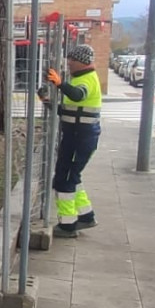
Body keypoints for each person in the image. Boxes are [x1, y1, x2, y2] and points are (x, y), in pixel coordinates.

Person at [45, 44, 102, 238]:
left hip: (80, 137)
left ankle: (67, 225)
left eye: (72, 60)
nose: (69, 63)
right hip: (77, 136)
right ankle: (86, 216)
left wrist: (60, 84)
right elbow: (69, 111)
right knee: (72, 177)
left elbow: (77, 96)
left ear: (83, 62)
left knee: (65, 180)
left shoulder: (87, 80)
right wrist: (47, 101)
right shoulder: (80, 78)